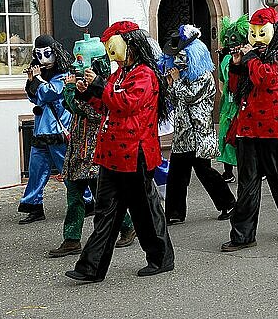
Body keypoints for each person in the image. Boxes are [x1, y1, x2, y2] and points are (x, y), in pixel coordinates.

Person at [66, 21, 174, 281]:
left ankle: (161, 258)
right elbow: (107, 105)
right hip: (112, 153)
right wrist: (87, 93)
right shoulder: (121, 74)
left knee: (145, 211)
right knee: (105, 212)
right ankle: (91, 268)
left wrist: (99, 86)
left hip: (134, 153)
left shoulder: (145, 74)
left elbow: (126, 103)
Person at [221, 7, 278, 252]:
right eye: (254, 33)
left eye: (262, 33)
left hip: (274, 129)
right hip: (248, 128)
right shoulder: (253, 58)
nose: (257, 39)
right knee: (247, 183)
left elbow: (269, 80)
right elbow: (235, 89)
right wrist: (238, 66)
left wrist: (250, 60)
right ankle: (243, 235)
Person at [48, 35, 136, 258]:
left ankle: (127, 226)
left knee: (102, 197)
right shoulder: (84, 84)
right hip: (78, 148)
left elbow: (85, 109)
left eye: (82, 62)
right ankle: (71, 239)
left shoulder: (105, 87)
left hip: (95, 151)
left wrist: (69, 91)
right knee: (74, 196)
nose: (77, 67)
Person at [162, 25, 236, 225]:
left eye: (183, 57)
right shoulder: (183, 77)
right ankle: (174, 213)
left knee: (205, 172)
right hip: (183, 136)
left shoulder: (204, 77)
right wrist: (170, 84)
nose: (179, 62)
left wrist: (176, 83)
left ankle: (228, 203)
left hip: (198, 134)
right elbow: (175, 100)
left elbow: (189, 97)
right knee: (177, 175)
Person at [17, 35, 89, 224]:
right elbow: (36, 98)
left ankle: (87, 201)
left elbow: (51, 93)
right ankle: (34, 206)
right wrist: (32, 81)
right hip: (41, 130)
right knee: (35, 171)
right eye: (39, 55)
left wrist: (37, 80)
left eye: (47, 54)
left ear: (55, 53)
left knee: (69, 170)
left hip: (58, 130)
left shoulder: (65, 74)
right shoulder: (44, 75)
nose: (43, 59)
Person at [217, 15, 249, 184]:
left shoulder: (248, 57)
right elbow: (222, 82)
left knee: (239, 138)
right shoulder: (227, 59)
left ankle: (249, 169)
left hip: (241, 104)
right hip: (228, 105)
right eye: (228, 39)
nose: (230, 42)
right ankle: (228, 171)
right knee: (225, 135)